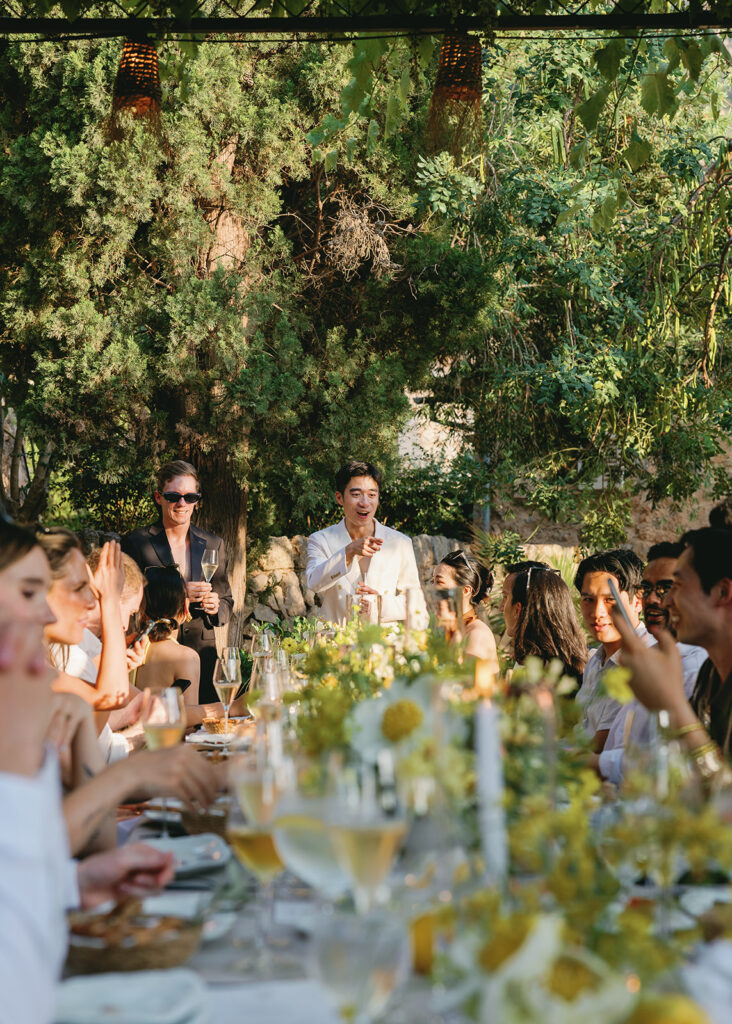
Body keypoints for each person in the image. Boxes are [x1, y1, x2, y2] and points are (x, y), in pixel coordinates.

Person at [0, 518, 175, 1024]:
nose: (42, 613)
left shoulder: (40, 686)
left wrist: (76, 882)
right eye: (29, 592)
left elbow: (20, 868)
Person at [616, 529, 732, 785]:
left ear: (722, 593)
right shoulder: (709, 676)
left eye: (675, 586)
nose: (664, 602)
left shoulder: (694, 667)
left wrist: (673, 706)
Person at [595, 542, 707, 785]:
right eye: (647, 589)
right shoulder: (645, 656)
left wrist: (590, 763)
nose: (656, 600)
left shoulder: (696, 664)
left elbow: (669, 764)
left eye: (667, 588)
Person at [123, 459, 234, 703]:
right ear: (158, 497)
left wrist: (216, 607)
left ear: (197, 499)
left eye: (190, 497)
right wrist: (180, 592)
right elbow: (124, 599)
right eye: (173, 496)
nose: (182, 503)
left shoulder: (213, 544)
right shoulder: (136, 542)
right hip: (152, 655)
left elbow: (227, 602)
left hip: (202, 653)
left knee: (202, 730)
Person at [306, 460, 426, 626]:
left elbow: (416, 604)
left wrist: (380, 603)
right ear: (339, 498)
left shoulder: (400, 543)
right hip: (335, 645)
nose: (365, 503)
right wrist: (348, 552)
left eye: (372, 495)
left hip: (383, 645)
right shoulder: (321, 539)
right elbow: (314, 583)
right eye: (356, 495)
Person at [574, 548, 652, 753]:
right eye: (588, 600)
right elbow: (581, 731)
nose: (597, 613)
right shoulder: (596, 659)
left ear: (637, 602)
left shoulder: (642, 661)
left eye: (610, 600)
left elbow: (599, 747)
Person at [501, 565, 587, 686]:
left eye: (505, 598)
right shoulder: (584, 663)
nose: (501, 607)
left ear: (517, 609)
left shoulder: (534, 672)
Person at [432, 549, 498, 667]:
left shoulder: (476, 634)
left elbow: (461, 681)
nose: (432, 588)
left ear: (465, 591)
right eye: (432, 581)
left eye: (439, 582)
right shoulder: (449, 628)